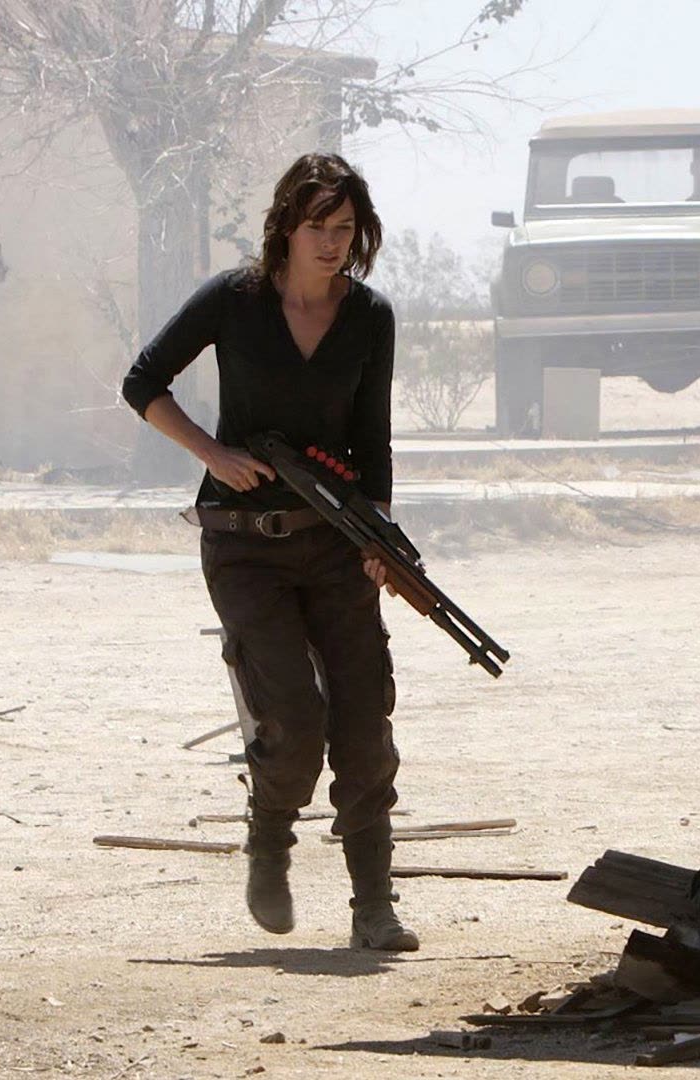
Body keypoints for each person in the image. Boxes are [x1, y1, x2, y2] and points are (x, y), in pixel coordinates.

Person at [120, 152, 417, 951]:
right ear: (285, 226)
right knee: (291, 715)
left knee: (364, 725)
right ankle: (270, 837)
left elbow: (373, 442)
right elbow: (143, 382)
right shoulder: (235, 299)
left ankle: (374, 905)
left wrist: (380, 541)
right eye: (317, 225)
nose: (331, 242)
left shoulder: (370, 316)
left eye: (344, 227)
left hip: (337, 547)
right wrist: (211, 454)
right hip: (244, 548)